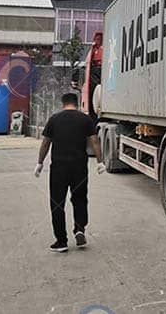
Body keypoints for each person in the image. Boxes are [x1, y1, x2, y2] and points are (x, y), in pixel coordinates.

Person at [34, 93, 105, 252]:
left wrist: (40, 163)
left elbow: (46, 143)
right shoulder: (85, 119)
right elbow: (94, 141)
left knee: (57, 203)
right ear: (77, 103)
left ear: (63, 103)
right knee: (80, 198)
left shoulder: (54, 119)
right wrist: (100, 162)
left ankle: (61, 241)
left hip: (59, 168)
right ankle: (80, 228)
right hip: (79, 167)